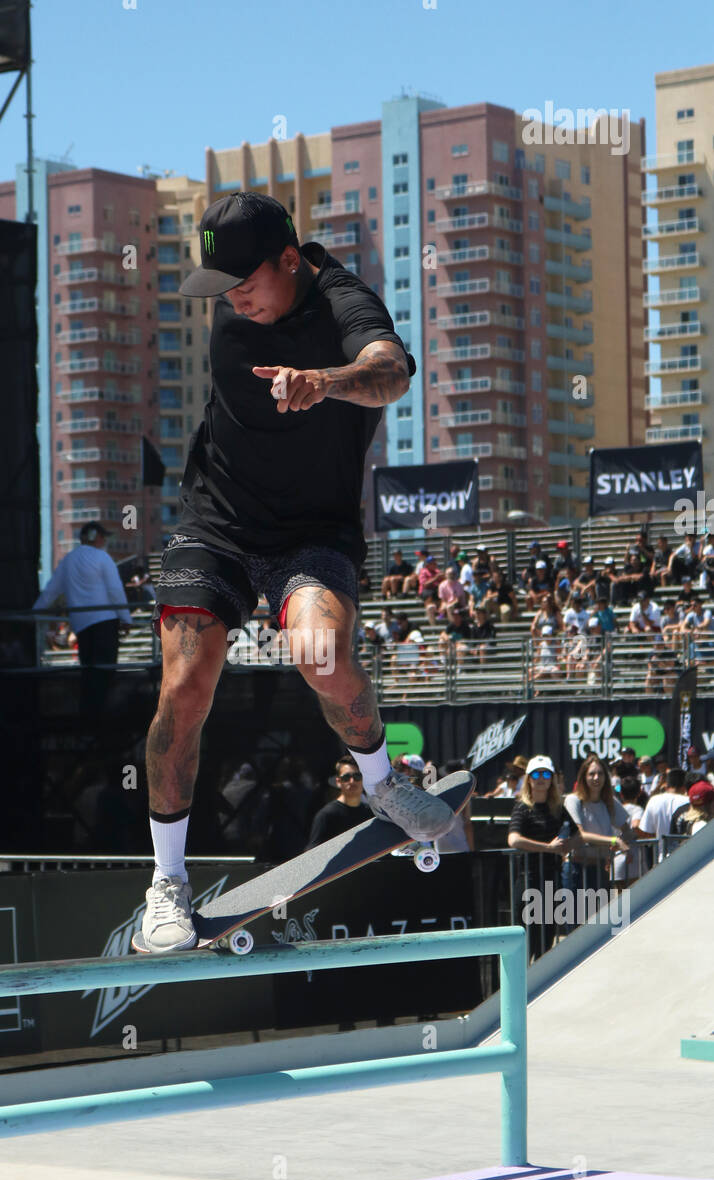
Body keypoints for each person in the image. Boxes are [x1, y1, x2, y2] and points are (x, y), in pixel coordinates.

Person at [140, 191, 457, 951]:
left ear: (292, 259)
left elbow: (391, 373)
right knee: (184, 687)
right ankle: (168, 882)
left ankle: (381, 781)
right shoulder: (234, 320)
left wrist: (328, 381)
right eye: (219, 286)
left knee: (320, 655)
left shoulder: (346, 300)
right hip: (217, 524)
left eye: (245, 281)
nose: (232, 300)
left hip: (312, 531)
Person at [507, 755, 579, 958]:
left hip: (550, 883)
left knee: (545, 944)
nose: (541, 778)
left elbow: (578, 834)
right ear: (529, 778)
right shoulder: (522, 807)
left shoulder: (557, 808)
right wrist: (548, 847)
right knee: (523, 945)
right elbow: (513, 840)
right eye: (536, 774)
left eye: (546, 774)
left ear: (552, 779)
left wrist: (565, 848)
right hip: (527, 882)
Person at [32, 521, 132, 667]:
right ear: (94, 537)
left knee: (88, 670)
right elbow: (115, 591)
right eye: (102, 536)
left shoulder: (68, 559)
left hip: (81, 625)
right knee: (106, 671)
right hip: (106, 623)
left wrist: (34, 614)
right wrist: (126, 618)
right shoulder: (103, 557)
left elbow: (50, 591)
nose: (104, 540)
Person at [562, 754, 633, 899]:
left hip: (601, 870)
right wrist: (613, 841)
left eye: (600, 773)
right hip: (577, 870)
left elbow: (628, 832)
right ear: (583, 776)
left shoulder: (609, 801)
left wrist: (621, 842)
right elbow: (580, 835)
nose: (596, 778)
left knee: (600, 919)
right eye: (591, 774)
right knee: (576, 920)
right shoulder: (573, 800)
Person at [305, 756, 372, 848]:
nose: (352, 781)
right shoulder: (326, 815)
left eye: (357, 776)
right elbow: (313, 853)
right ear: (338, 781)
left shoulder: (370, 812)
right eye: (346, 777)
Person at [633, 767, 689, 863]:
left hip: (661, 859)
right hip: (685, 858)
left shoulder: (654, 800)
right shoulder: (688, 801)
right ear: (685, 786)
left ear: (667, 785)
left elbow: (645, 831)